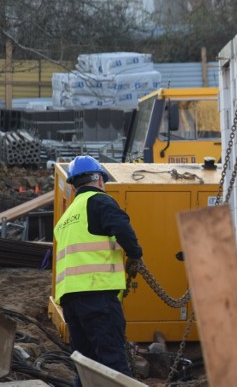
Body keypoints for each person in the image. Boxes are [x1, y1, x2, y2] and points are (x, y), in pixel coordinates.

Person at [53, 155, 143, 386]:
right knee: (112, 363)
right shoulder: (99, 201)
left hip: (71, 302)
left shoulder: (66, 218)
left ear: (74, 185)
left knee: (86, 365)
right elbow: (123, 229)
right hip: (98, 296)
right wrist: (135, 255)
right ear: (100, 180)